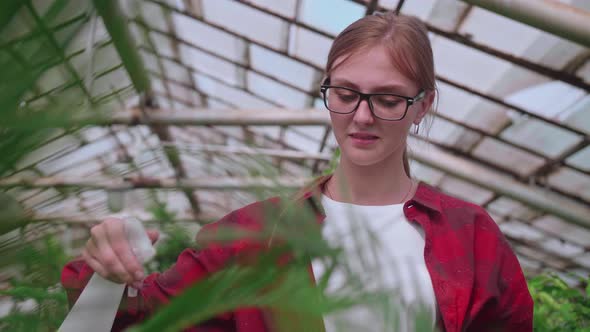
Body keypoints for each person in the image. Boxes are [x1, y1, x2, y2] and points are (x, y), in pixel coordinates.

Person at [61, 11, 533, 332]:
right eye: (345, 93)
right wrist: (109, 262)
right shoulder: (254, 235)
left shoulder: (469, 235)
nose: (362, 117)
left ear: (423, 106)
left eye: (388, 99)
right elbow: (146, 317)